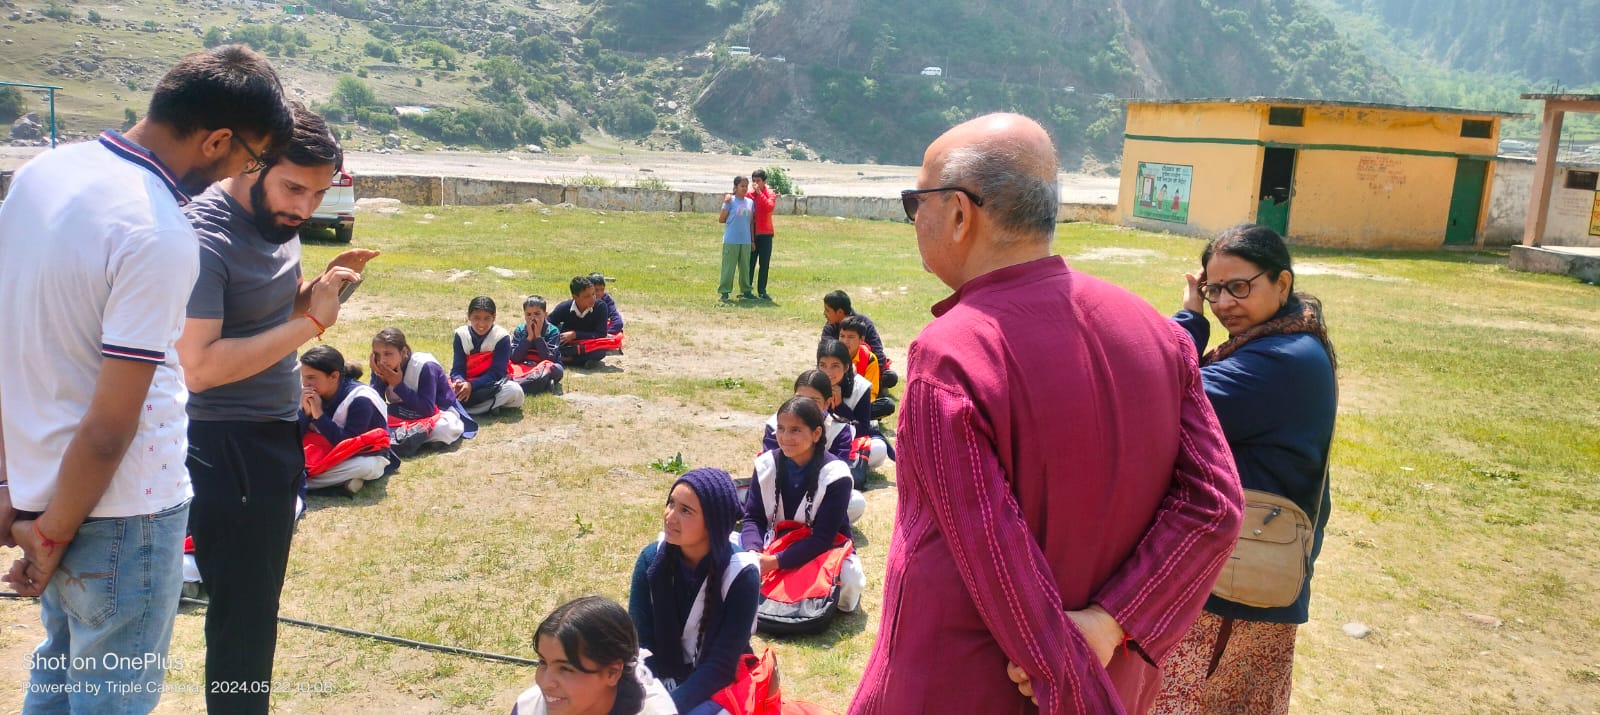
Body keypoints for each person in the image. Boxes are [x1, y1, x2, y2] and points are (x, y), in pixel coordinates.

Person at [849, 113, 1243, 715]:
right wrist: (1110, 623)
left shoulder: (954, 356)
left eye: (915, 202)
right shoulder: (1157, 335)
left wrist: (1067, 677)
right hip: (1112, 678)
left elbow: (996, 557)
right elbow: (1215, 505)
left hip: (967, 688)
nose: (914, 219)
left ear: (960, 213)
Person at [0, 44, 292, 713]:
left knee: (56, 679)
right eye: (251, 160)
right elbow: (111, 427)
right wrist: (51, 534)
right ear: (216, 140)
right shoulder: (159, 231)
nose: (242, 174)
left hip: (46, 489)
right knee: (112, 699)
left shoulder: (42, 174)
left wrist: (13, 490)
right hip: (124, 510)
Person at [176, 99, 372, 714]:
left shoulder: (276, 223)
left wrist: (318, 289)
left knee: (257, 605)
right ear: (253, 162)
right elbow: (200, 366)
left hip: (274, 435)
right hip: (225, 444)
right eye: (294, 188)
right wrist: (313, 322)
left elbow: (262, 316)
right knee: (243, 615)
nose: (304, 209)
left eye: (319, 195)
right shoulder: (204, 237)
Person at [1149, 224, 1337, 715]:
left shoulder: (1280, 360)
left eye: (1239, 286)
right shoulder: (1284, 340)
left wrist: (1189, 321)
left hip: (1235, 584)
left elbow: (1160, 391)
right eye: (1213, 290)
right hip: (1249, 566)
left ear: (1282, 283)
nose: (1225, 303)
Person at [629, 468, 761, 715]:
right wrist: (652, 697)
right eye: (671, 503)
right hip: (659, 678)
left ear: (712, 523)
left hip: (717, 683)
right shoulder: (651, 559)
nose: (670, 516)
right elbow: (641, 642)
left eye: (685, 511)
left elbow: (721, 665)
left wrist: (667, 708)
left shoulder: (742, 574)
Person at [741, 397, 866, 613]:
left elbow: (822, 539)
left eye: (795, 430)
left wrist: (774, 562)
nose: (785, 437)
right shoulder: (765, 465)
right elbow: (753, 518)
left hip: (820, 550)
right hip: (773, 543)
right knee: (725, 548)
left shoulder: (836, 475)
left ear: (816, 434)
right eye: (781, 428)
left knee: (850, 577)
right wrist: (753, 553)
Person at [512, 596, 678, 715]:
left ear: (612, 672)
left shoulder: (655, 710)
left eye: (565, 669)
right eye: (543, 662)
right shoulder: (529, 708)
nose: (545, 682)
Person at [299, 345, 397, 494]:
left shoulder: (361, 399)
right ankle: (339, 482)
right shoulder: (309, 393)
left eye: (311, 377)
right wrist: (305, 414)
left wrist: (319, 415)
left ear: (334, 376)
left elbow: (347, 444)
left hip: (360, 454)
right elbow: (291, 438)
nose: (305, 383)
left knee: (366, 466)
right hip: (321, 450)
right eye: (303, 377)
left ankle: (299, 482)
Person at [370, 327, 477, 454]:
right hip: (401, 413)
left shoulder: (425, 366)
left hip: (436, 414)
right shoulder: (380, 366)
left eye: (387, 354)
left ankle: (403, 438)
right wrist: (380, 379)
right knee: (368, 418)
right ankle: (409, 438)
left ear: (403, 352)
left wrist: (398, 385)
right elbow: (376, 405)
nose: (382, 360)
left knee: (442, 428)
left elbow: (427, 409)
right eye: (377, 355)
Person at [761, 370, 858, 473]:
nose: (804, 406)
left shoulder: (839, 431)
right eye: (799, 398)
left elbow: (838, 472)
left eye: (813, 401)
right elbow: (768, 467)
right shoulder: (776, 424)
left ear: (827, 403)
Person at [817, 339, 889, 472]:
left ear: (846, 367)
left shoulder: (860, 387)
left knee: (878, 448)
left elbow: (863, 431)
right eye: (823, 365)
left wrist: (840, 406)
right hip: (817, 439)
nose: (828, 372)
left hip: (847, 441)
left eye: (835, 366)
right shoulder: (812, 382)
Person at [450, 295, 527, 415]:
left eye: (487, 318)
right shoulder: (461, 335)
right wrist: (459, 382)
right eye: (476, 318)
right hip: (466, 383)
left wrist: (472, 386)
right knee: (439, 387)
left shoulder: (501, 337)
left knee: (515, 391)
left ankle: (467, 410)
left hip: (490, 385)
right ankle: (489, 406)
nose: (481, 323)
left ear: (494, 317)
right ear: (469, 316)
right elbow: (457, 368)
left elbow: (497, 373)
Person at [819, 291, 896, 391]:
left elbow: (878, 353)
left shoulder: (865, 324)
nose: (824, 314)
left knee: (890, 377)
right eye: (842, 336)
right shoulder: (830, 326)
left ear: (840, 312)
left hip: (865, 368)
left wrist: (871, 374)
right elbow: (824, 352)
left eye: (827, 310)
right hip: (840, 371)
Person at [550, 275, 620, 369]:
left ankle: (567, 360)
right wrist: (558, 335)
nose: (592, 298)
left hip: (588, 344)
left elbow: (601, 333)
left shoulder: (600, 307)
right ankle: (579, 361)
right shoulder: (564, 307)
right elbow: (548, 323)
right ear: (575, 297)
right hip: (567, 344)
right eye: (587, 296)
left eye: (593, 294)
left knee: (600, 352)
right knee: (551, 345)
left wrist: (575, 334)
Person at [838, 316, 895, 419]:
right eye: (842, 336)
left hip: (859, 403)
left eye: (851, 337)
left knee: (888, 404)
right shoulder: (832, 355)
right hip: (835, 401)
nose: (845, 341)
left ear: (861, 339)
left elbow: (871, 393)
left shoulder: (869, 359)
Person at [510, 295, 565, 395]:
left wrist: (538, 337)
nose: (533, 318)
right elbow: (514, 358)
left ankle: (537, 382)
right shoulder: (520, 330)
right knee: (506, 366)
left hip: (544, 365)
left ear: (545, 314)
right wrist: (529, 338)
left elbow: (549, 359)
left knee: (557, 369)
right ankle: (539, 384)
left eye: (537, 314)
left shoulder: (553, 331)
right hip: (524, 365)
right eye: (529, 314)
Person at [717, 176, 755, 302]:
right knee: (728, 267)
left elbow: (751, 223)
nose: (744, 188)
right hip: (731, 240)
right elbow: (721, 219)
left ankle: (746, 291)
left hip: (745, 241)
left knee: (745, 268)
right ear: (736, 187)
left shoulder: (750, 202)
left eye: (746, 186)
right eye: (742, 186)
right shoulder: (730, 201)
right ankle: (725, 292)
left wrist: (752, 240)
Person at [746, 169, 777, 300]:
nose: (755, 183)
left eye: (758, 181)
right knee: (750, 263)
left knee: (764, 264)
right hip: (752, 233)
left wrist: (760, 194)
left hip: (766, 233)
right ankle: (747, 289)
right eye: (753, 181)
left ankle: (762, 290)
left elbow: (769, 207)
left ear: (764, 182)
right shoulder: (749, 195)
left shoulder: (770, 194)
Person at [590, 272, 627, 341]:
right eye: (596, 290)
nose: (599, 293)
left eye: (602, 290)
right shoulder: (582, 300)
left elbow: (617, 321)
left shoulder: (606, 299)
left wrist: (605, 334)